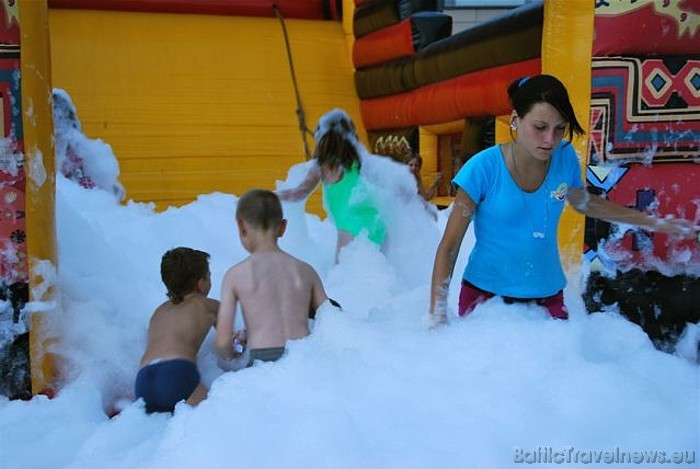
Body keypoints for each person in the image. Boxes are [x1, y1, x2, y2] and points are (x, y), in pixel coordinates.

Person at [429, 74, 696, 326]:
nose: (550, 140)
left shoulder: (563, 156)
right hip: (486, 299)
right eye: (540, 127)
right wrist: (437, 317)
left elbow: (585, 203)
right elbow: (449, 246)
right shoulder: (482, 168)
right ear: (515, 120)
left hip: (548, 299)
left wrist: (651, 222)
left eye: (559, 129)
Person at [276, 108, 418, 261]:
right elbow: (396, 186)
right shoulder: (362, 162)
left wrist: (272, 195)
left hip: (350, 230)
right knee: (380, 275)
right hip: (378, 227)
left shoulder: (322, 166)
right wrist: (422, 206)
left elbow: (299, 193)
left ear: (323, 137)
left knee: (344, 279)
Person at [215, 189, 332, 367]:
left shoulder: (235, 275)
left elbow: (223, 342)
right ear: (283, 227)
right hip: (304, 359)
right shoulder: (306, 271)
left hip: (263, 361)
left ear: (242, 226)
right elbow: (331, 320)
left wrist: (231, 355)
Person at [135, 247, 219, 413]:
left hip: (144, 381)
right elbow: (227, 344)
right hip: (176, 373)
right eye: (209, 276)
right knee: (210, 420)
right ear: (200, 283)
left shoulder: (159, 312)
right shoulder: (208, 305)